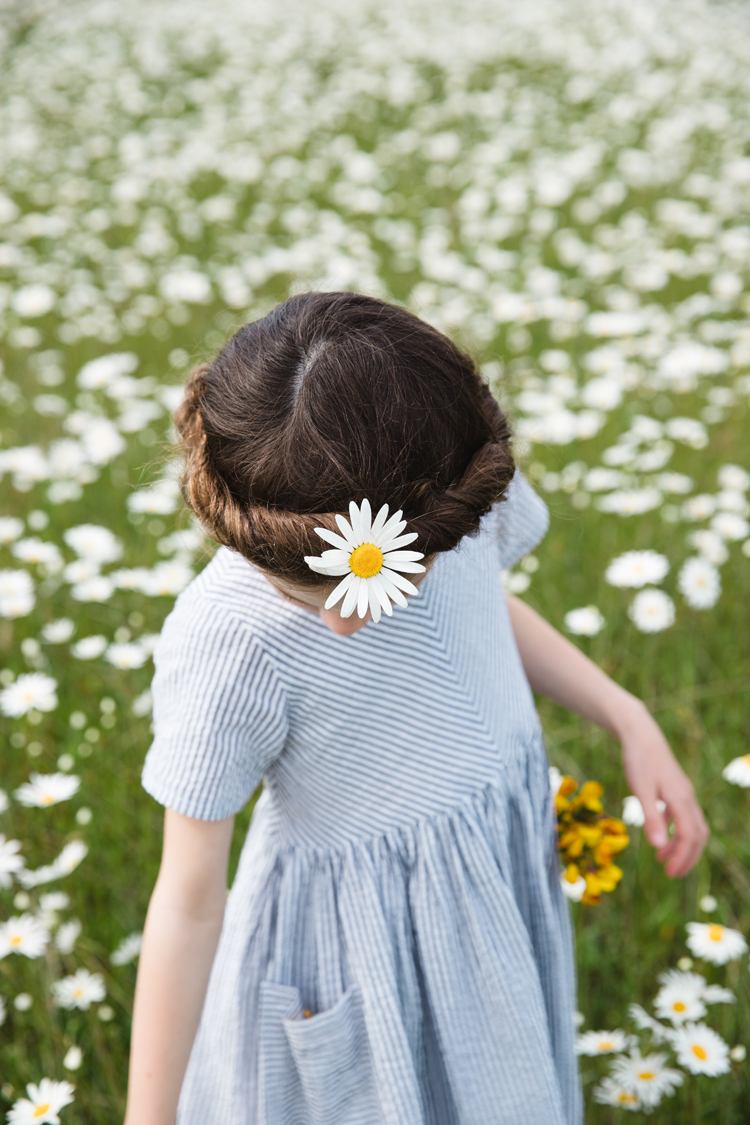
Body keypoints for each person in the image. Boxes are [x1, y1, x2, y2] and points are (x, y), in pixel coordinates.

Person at [124, 291, 708, 1125]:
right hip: (354, 958)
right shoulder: (229, 641)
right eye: (315, 592)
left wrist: (627, 714)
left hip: (487, 907)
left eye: (387, 581)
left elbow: (481, 606)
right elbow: (187, 898)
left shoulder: (449, 486)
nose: (344, 617)